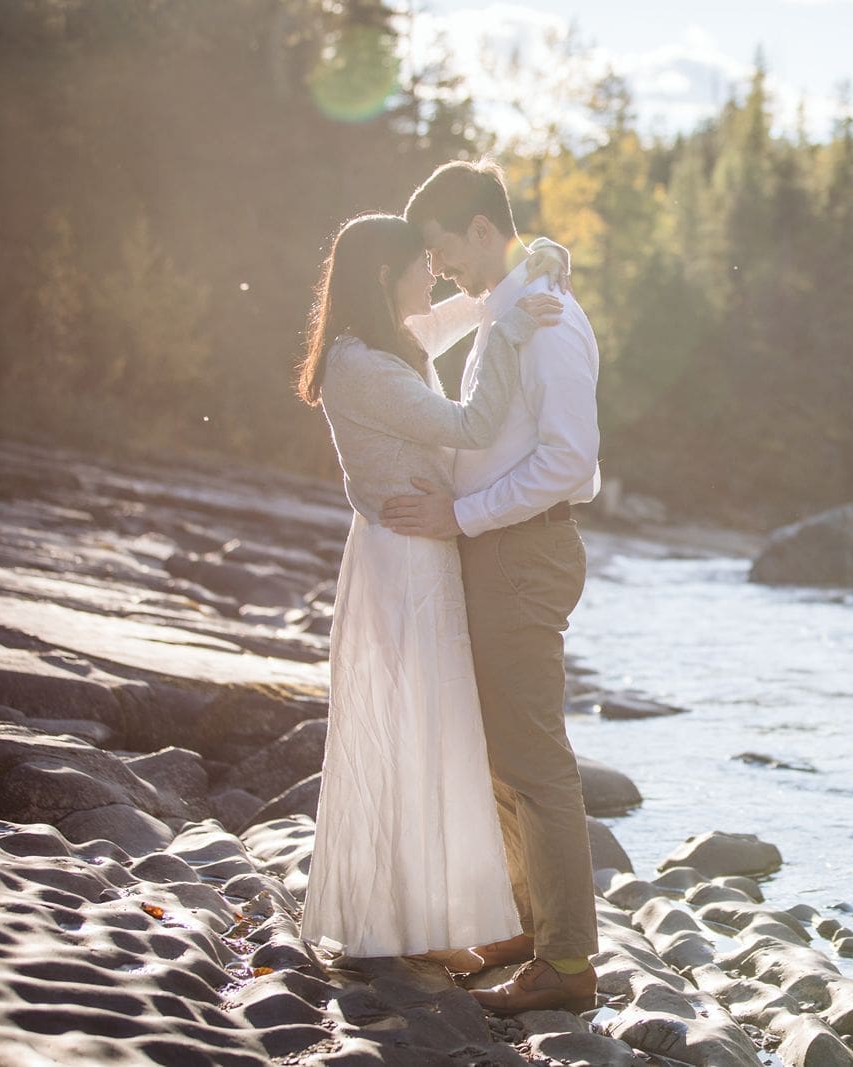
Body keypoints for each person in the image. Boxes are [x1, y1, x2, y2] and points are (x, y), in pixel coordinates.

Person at [293, 212, 567, 970]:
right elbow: (473, 425)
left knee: (430, 729)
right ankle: (404, 925)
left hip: (417, 550)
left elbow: (466, 308)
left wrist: (534, 261)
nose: (434, 273)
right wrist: (512, 336)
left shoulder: (390, 343)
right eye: (422, 263)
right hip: (404, 562)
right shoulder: (364, 368)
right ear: (387, 276)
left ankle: (429, 918)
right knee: (412, 728)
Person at [379, 161, 602, 1014]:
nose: (441, 271)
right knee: (502, 752)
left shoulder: (547, 322)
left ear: (480, 228)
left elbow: (567, 461)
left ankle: (569, 966)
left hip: (524, 550)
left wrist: (461, 517)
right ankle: (533, 924)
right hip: (499, 547)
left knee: (534, 760)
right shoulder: (510, 307)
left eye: (444, 252)